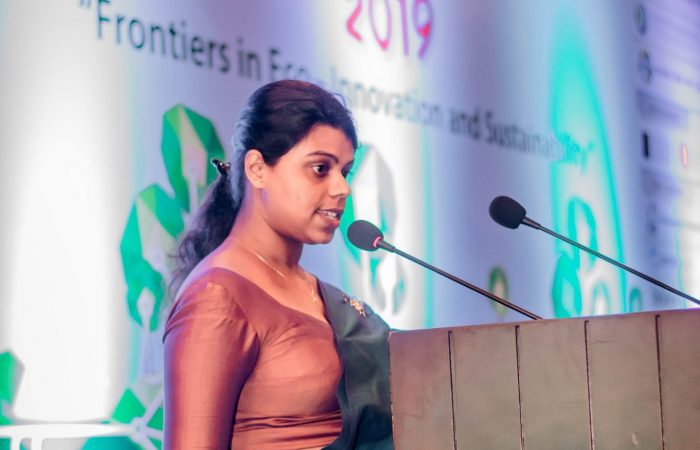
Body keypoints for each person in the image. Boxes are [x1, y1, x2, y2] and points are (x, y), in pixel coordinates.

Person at [163, 80, 393, 450]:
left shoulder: (319, 292)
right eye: (320, 168)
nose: (342, 188)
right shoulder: (216, 299)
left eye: (345, 171)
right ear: (257, 169)